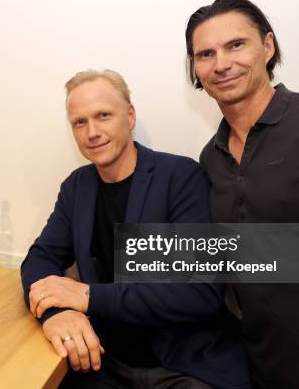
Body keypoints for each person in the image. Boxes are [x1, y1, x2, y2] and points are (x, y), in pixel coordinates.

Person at [21, 69, 250, 388]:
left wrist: (88, 297)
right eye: (80, 122)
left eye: (103, 115)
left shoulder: (180, 177)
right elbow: (39, 260)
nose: (92, 132)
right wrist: (55, 314)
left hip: (182, 367)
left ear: (129, 116)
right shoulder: (77, 187)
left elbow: (199, 292)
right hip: (102, 362)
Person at [186, 0, 299, 388]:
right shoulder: (209, 159)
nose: (221, 64)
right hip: (267, 368)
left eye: (236, 44)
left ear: (267, 47)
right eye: (205, 54)